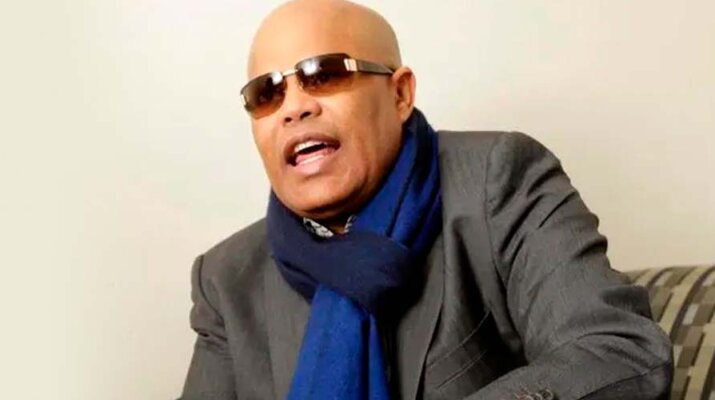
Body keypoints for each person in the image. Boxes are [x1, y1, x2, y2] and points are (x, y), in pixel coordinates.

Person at [179, 0, 673, 399]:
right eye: (266, 94)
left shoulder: (500, 181)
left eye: (324, 74)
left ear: (400, 94)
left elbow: (616, 351)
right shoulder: (226, 278)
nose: (294, 108)